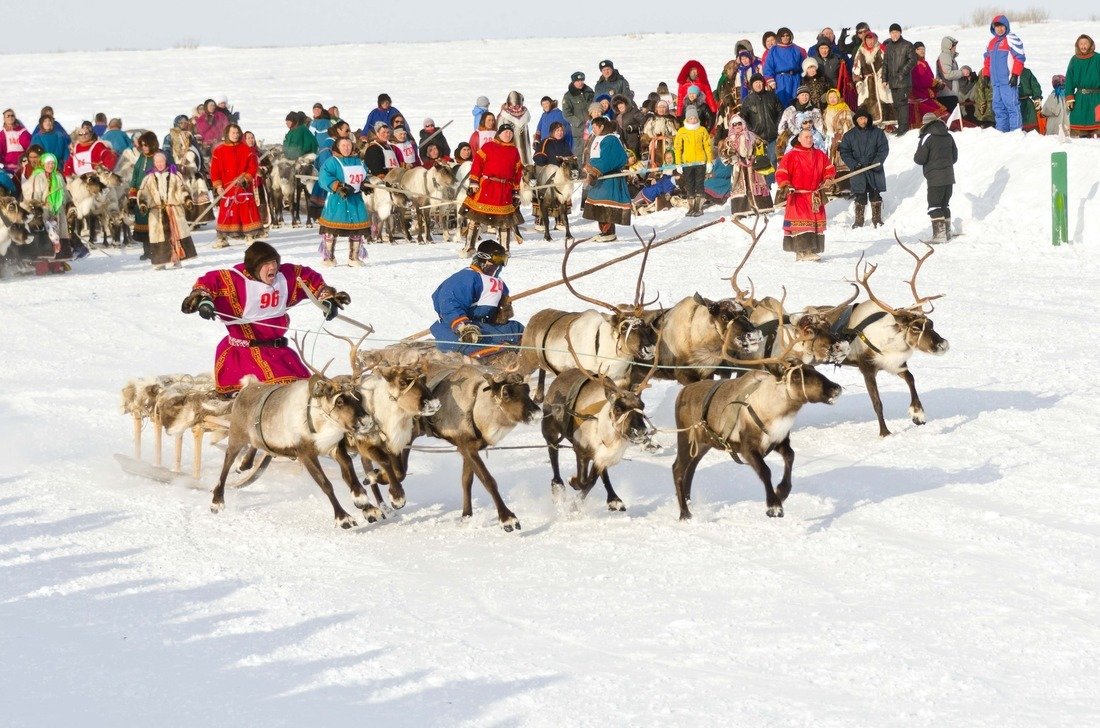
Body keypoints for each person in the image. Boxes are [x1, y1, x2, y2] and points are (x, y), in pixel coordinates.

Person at [181, 242, 350, 395]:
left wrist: (326, 298)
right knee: (279, 395)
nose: (272, 268)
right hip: (243, 357)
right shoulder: (235, 281)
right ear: (254, 267)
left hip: (279, 353)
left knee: (303, 393)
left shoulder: (285, 277)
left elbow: (308, 277)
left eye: (274, 262)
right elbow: (209, 282)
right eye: (266, 264)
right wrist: (204, 300)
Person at [429, 239, 522, 360]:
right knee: (474, 345)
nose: (499, 264)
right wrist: (463, 326)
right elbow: (449, 302)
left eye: (503, 260)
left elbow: (501, 300)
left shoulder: (498, 282)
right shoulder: (467, 277)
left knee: (518, 330)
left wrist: (502, 310)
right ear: (483, 258)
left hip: (486, 326)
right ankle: (493, 358)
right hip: (460, 329)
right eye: (497, 259)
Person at [461, 121, 523, 253]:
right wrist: (474, 182)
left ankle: (504, 250)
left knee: (504, 222)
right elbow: (477, 164)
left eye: (510, 133)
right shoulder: (488, 146)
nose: (508, 134)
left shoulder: (514, 151)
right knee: (475, 218)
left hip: (504, 189)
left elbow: (518, 172)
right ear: (499, 134)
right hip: (487, 187)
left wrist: (516, 191)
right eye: (505, 132)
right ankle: (469, 246)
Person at [775, 128, 835, 261]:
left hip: (814, 196)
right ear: (800, 139)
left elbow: (829, 168)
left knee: (814, 224)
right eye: (806, 137)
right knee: (802, 224)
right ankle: (803, 251)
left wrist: (828, 179)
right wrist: (786, 184)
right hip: (798, 196)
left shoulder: (819, 154)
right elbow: (781, 172)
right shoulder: (791, 155)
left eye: (811, 137)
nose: (809, 139)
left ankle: (810, 250)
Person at [137, 152, 198, 269]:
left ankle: (177, 259)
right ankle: (160, 262)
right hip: (157, 211)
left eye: (162, 161)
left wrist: (187, 199)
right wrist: (144, 204)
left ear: (166, 162)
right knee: (159, 237)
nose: (159, 164)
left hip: (173, 210)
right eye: (157, 162)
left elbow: (182, 189)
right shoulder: (149, 178)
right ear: (154, 163)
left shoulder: (175, 175)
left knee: (176, 234)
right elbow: (144, 193)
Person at [24, 152, 87, 261]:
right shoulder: (37, 177)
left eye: (53, 163)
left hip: (58, 211)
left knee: (59, 235)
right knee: (46, 236)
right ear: (43, 163)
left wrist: (70, 205)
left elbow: (66, 194)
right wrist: (37, 208)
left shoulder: (58, 177)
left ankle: (57, 264)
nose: (51, 166)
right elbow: (34, 195)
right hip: (43, 211)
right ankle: (43, 266)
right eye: (48, 163)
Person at [318, 136, 369, 267]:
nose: (346, 148)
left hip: (355, 200)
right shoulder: (332, 162)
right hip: (338, 200)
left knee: (357, 229)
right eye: (343, 145)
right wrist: (337, 186)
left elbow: (365, 174)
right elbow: (324, 176)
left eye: (348, 145)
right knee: (331, 229)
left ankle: (354, 257)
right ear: (337, 147)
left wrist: (365, 183)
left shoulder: (359, 161)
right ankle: (328, 257)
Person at [209, 124, 262, 248]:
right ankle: (222, 238)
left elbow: (253, 167)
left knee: (247, 210)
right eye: (233, 133)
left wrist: (246, 178)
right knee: (226, 212)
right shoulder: (219, 150)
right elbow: (214, 170)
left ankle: (250, 235)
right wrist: (218, 186)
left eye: (237, 133)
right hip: (227, 187)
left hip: (243, 186)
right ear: (227, 133)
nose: (235, 135)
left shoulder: (247, 149)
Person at [582, 116, 631, 241]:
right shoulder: (597, 138)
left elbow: (608, 159)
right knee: (598, 205)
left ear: (602, 127)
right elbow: (594, 157)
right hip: (599, 178)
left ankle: (609, 232)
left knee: (606, 205)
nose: (592, 130)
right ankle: (604, 231)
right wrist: (588, 167)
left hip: (609, 178)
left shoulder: (611, 139)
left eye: (594, 127)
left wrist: (594, 172)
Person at [839, 109, 889, 228]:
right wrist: (853, 164)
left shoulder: (877, 133)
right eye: (860, 118)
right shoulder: (849, 135)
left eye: (865, 118)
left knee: (875, 194)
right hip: (858, 169)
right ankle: (859, 221)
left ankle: (877, 219)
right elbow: (845, 152)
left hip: (874, 168)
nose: (863, 121)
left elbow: (883, 149)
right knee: (860, 195)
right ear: (856, 120)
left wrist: (877, 162)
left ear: (868, 119)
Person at [913, 112, 958, 243]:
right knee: (944, 205)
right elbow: (954, 157)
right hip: (949, 177)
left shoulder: (927, 137)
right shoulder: (948, 135)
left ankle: (939, 236)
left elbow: (919, 159)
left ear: (925, 124)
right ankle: (947, 233)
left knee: (934, 206)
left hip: (934, 177)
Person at [982, 15, 1026, 133]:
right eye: (996, 27)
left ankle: (1015, 133)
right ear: (993, 28)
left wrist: (1015, 74)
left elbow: (1020, 58)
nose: (999, 29)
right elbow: (987, 60)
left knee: (1012, 107)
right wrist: (986, 75)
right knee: (998, 108)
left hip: (1008, 82)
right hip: (996, 83)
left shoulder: (1011, 39)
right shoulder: (991, 43)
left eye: (1001, 26)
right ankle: (1001, 133)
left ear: (1006, 26)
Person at [724, 114, 772, 216]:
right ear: (731, 126)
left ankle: (762, 207)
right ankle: (742, 210)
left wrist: (755, 154)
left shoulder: (751, 135)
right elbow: (723, 154)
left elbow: (762, 146)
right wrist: (733, 158)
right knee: (741, 187)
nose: (737, 126)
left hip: (753, 166)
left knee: (755, 185)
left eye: (739, 124)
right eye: (734, 124)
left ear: (743, 124)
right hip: (739, 167)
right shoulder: (729, 139)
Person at [673, 106, 713, 217]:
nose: (693, 120)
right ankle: (691, 207)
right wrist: (678, 163)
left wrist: (709, 161)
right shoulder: (682, 131)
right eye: (690, 118)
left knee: (699, 184)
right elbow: (677, 148)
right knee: (689, 184)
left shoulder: (702, 130)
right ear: (687, 119)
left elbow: (708, 146)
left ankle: (698, 207)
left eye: (695, 118)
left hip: (700, 162)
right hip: (687, 163)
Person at [853, 32, 896, 126]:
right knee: (868, 102)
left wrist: (886, 78)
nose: (870, 42)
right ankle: (870, 124)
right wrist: (858, 81)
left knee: (884, 98)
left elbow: (889, 65)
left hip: (881, 79)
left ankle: (888, 124)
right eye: (867, 39)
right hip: (867, 82)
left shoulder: (882, 49)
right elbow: (856, 68)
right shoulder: (861, 51)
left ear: (875, 39)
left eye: (872, 39)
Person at [883, 23, 917, 135]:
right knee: (896, 104)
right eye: (892, 32)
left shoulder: (907, 45)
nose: (894, 34)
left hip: (904, 81)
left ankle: (904, 127)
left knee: (902, 103)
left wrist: (903, 73)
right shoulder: (888, 47)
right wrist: (884, 79)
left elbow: (912, 60)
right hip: (893, 82)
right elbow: (885, 64)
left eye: (896, 32)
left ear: (900, 32)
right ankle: (900, 125)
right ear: (890, 34)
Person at [1064, 35, 1099, 138]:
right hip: (1080, 99)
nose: (1083, 46)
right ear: (1078, 45)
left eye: (1086, 44)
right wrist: (1069, 97)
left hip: (1097, 98)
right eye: (1081, 44)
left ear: (1090, 44)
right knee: (1079, 126)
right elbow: (1069, 79)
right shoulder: (1074, 60)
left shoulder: (1098, 58)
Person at [762, 28, 807, 107]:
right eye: (782, 36)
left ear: (790, 37)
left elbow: (804, 65)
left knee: (796, 102)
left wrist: (804, 77)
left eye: (787, 35)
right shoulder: (774, 50)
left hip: (795, 78)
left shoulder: (797, 49)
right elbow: (768, 67)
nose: (785, 37)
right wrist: (770, 80)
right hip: (781, 80)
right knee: (782, 103)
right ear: (779, 37)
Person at [910, 42, 949, 127]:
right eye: (919, 49)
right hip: (919, 94)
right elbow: (921, 80)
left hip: (927, 94)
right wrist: (935, 83)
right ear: (914, 51)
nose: (922, 51)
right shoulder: (914, 63)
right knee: (941, 113)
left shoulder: (924, 62)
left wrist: (937, 84)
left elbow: (929, 77)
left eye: (923, 49)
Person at [823, 89, 854, 193]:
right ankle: (833, 187)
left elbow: (848, 125)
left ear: (838, 97)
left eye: (834, 97)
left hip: (841, 138)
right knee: (831, 163)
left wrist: (844, 138)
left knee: (842, 162)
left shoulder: (844, 109)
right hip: (830, 140)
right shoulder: (827, 110)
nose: (832, 99)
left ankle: (845, 187)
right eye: (830, 97)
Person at [562, 72, 595, 160]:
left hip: (593, 127)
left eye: (581, 80)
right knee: (580, 154)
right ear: (573, 82)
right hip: (579, 131)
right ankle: (581, 172)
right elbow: (566, 114)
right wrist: (579, 123)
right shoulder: (568, 96)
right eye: (577, 81)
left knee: (594, 152)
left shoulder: (589, 92)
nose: (580, 83)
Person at [498, 91, 533, 167]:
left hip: (514, 144)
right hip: (518, 145)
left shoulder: (504, 114)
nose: (516, 107)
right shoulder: (525, 113)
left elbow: (498, 128)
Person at [935, 37, 964, 114]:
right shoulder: (945, 56)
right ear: (948, 46)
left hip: (950, 93)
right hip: (947, 94)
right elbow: (948, 74)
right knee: (951, 120)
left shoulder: (949, 57)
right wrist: (962, 73)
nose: (955, 47)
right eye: (953, 45)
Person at [2, 109, 32, 175]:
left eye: (12, 115)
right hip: (8, 168)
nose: (10, 117)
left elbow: (30, 147)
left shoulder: (22, 131)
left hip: (22, 166)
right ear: (4, 119)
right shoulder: (2, 134)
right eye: (8, 116)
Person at [1017, 68, 1043, 132]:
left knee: (1031, 121)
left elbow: (1035, 85)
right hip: (1013, 103)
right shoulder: (1006, 72)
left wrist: (1037, 98)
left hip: (1027, 102)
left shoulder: (1026, 72)